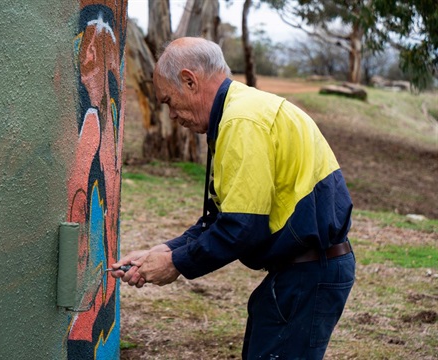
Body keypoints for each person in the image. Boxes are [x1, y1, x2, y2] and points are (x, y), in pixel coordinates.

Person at [110, 36, 355, 359]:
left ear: (189, 80)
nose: (171, 115)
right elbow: (222, 217)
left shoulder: (241, 121)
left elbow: (242, 227)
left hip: (308, 275)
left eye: (168, 101)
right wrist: (167, 249)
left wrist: (176, 263)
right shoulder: (239, 112)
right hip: (303, 271)